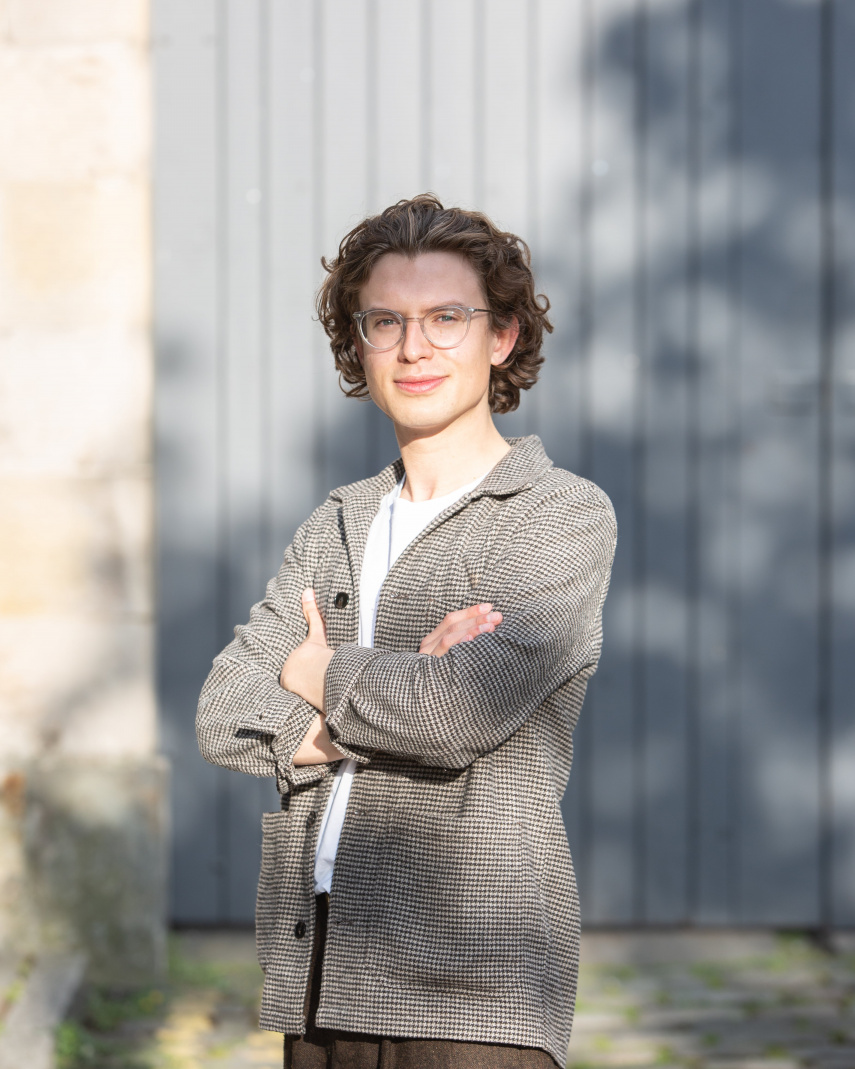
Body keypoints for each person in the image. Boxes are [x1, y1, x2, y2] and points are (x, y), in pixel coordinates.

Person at [196, 193, 616, 1069]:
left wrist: (316, 669)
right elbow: (222, 711)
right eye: (384, 321)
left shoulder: (558, 514)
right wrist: (396, 681)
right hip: (317, 977)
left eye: (446, 317)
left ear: (501, 335)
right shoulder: (334, 524)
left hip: (473, 991)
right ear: (358, 344)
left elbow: (452, 713)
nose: (413, 347)